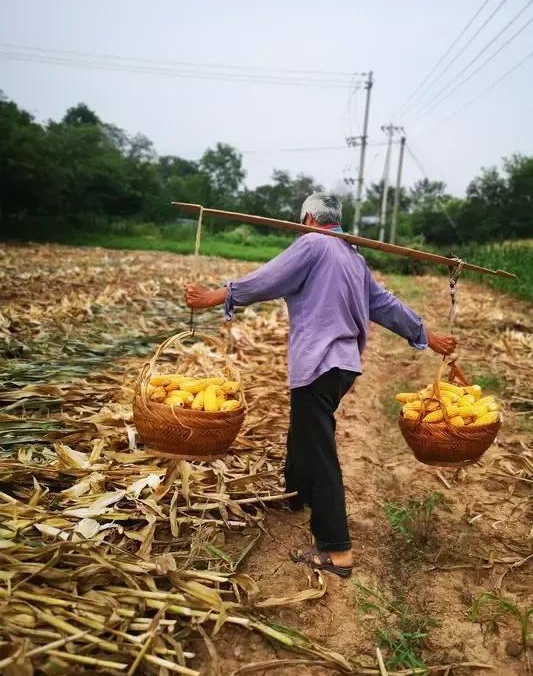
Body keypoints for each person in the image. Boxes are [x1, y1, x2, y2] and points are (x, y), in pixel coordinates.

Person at [185, 193, 456, 577]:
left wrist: (217, 296)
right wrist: (426, 335)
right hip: (341, 367)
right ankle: (297, 497)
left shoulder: (312, 243)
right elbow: (386, 306)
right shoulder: (353, 258)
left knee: (320, 449)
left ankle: (337, 550)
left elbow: (269, 279)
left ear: (309, 218)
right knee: (304, 434)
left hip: (318, 362)